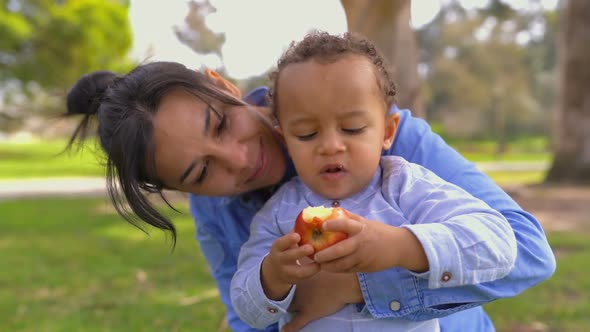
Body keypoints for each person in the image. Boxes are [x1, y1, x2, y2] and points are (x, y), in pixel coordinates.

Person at [64, 37, 555, 332]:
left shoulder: (392, 148)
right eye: (201, 173)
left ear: (222, 84)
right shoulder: (221, 214)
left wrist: (353, 284)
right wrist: (273, 288)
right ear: (181, 189)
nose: (239, 159)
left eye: (220, 124)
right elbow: (246, 316)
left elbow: (527, 252)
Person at [229, 31, 517, 332]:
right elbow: (247, 310)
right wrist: (271, 277)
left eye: (352, 128)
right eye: (306, 134)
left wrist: (401, 246)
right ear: (285, 141)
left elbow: (499, 244)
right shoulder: (278, 215)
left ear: (387, 132)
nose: (330, 145)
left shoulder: (406, 188)